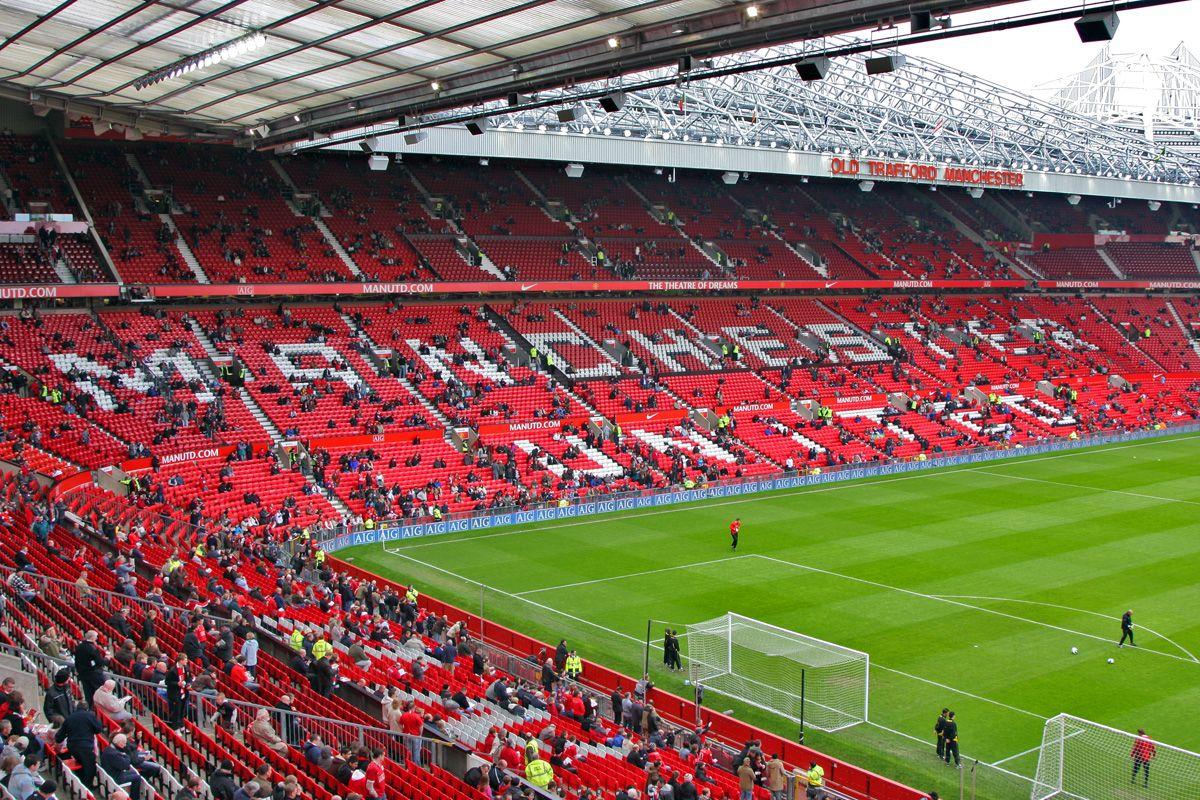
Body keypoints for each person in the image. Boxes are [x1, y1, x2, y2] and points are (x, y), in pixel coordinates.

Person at [55, 702, 102, 789]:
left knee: (80, 762)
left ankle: (80, 782)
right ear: (86, 709)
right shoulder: (90, 716)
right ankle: (87, 787)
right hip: (85, 746)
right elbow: (98, 729)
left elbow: (59, 736)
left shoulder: (69, 718)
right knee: (90, 766)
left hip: (72, 747)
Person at [101, 733, 143, 800]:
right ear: (120, 743)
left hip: (110, 774)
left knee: (134, 773)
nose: (125, 745)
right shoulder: (114, 754)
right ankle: (134, 798)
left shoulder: (108, 749)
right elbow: (126, 766)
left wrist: (123, 756)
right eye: (125, 743)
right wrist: (126, 756)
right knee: (137, 778)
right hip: (115, 777)